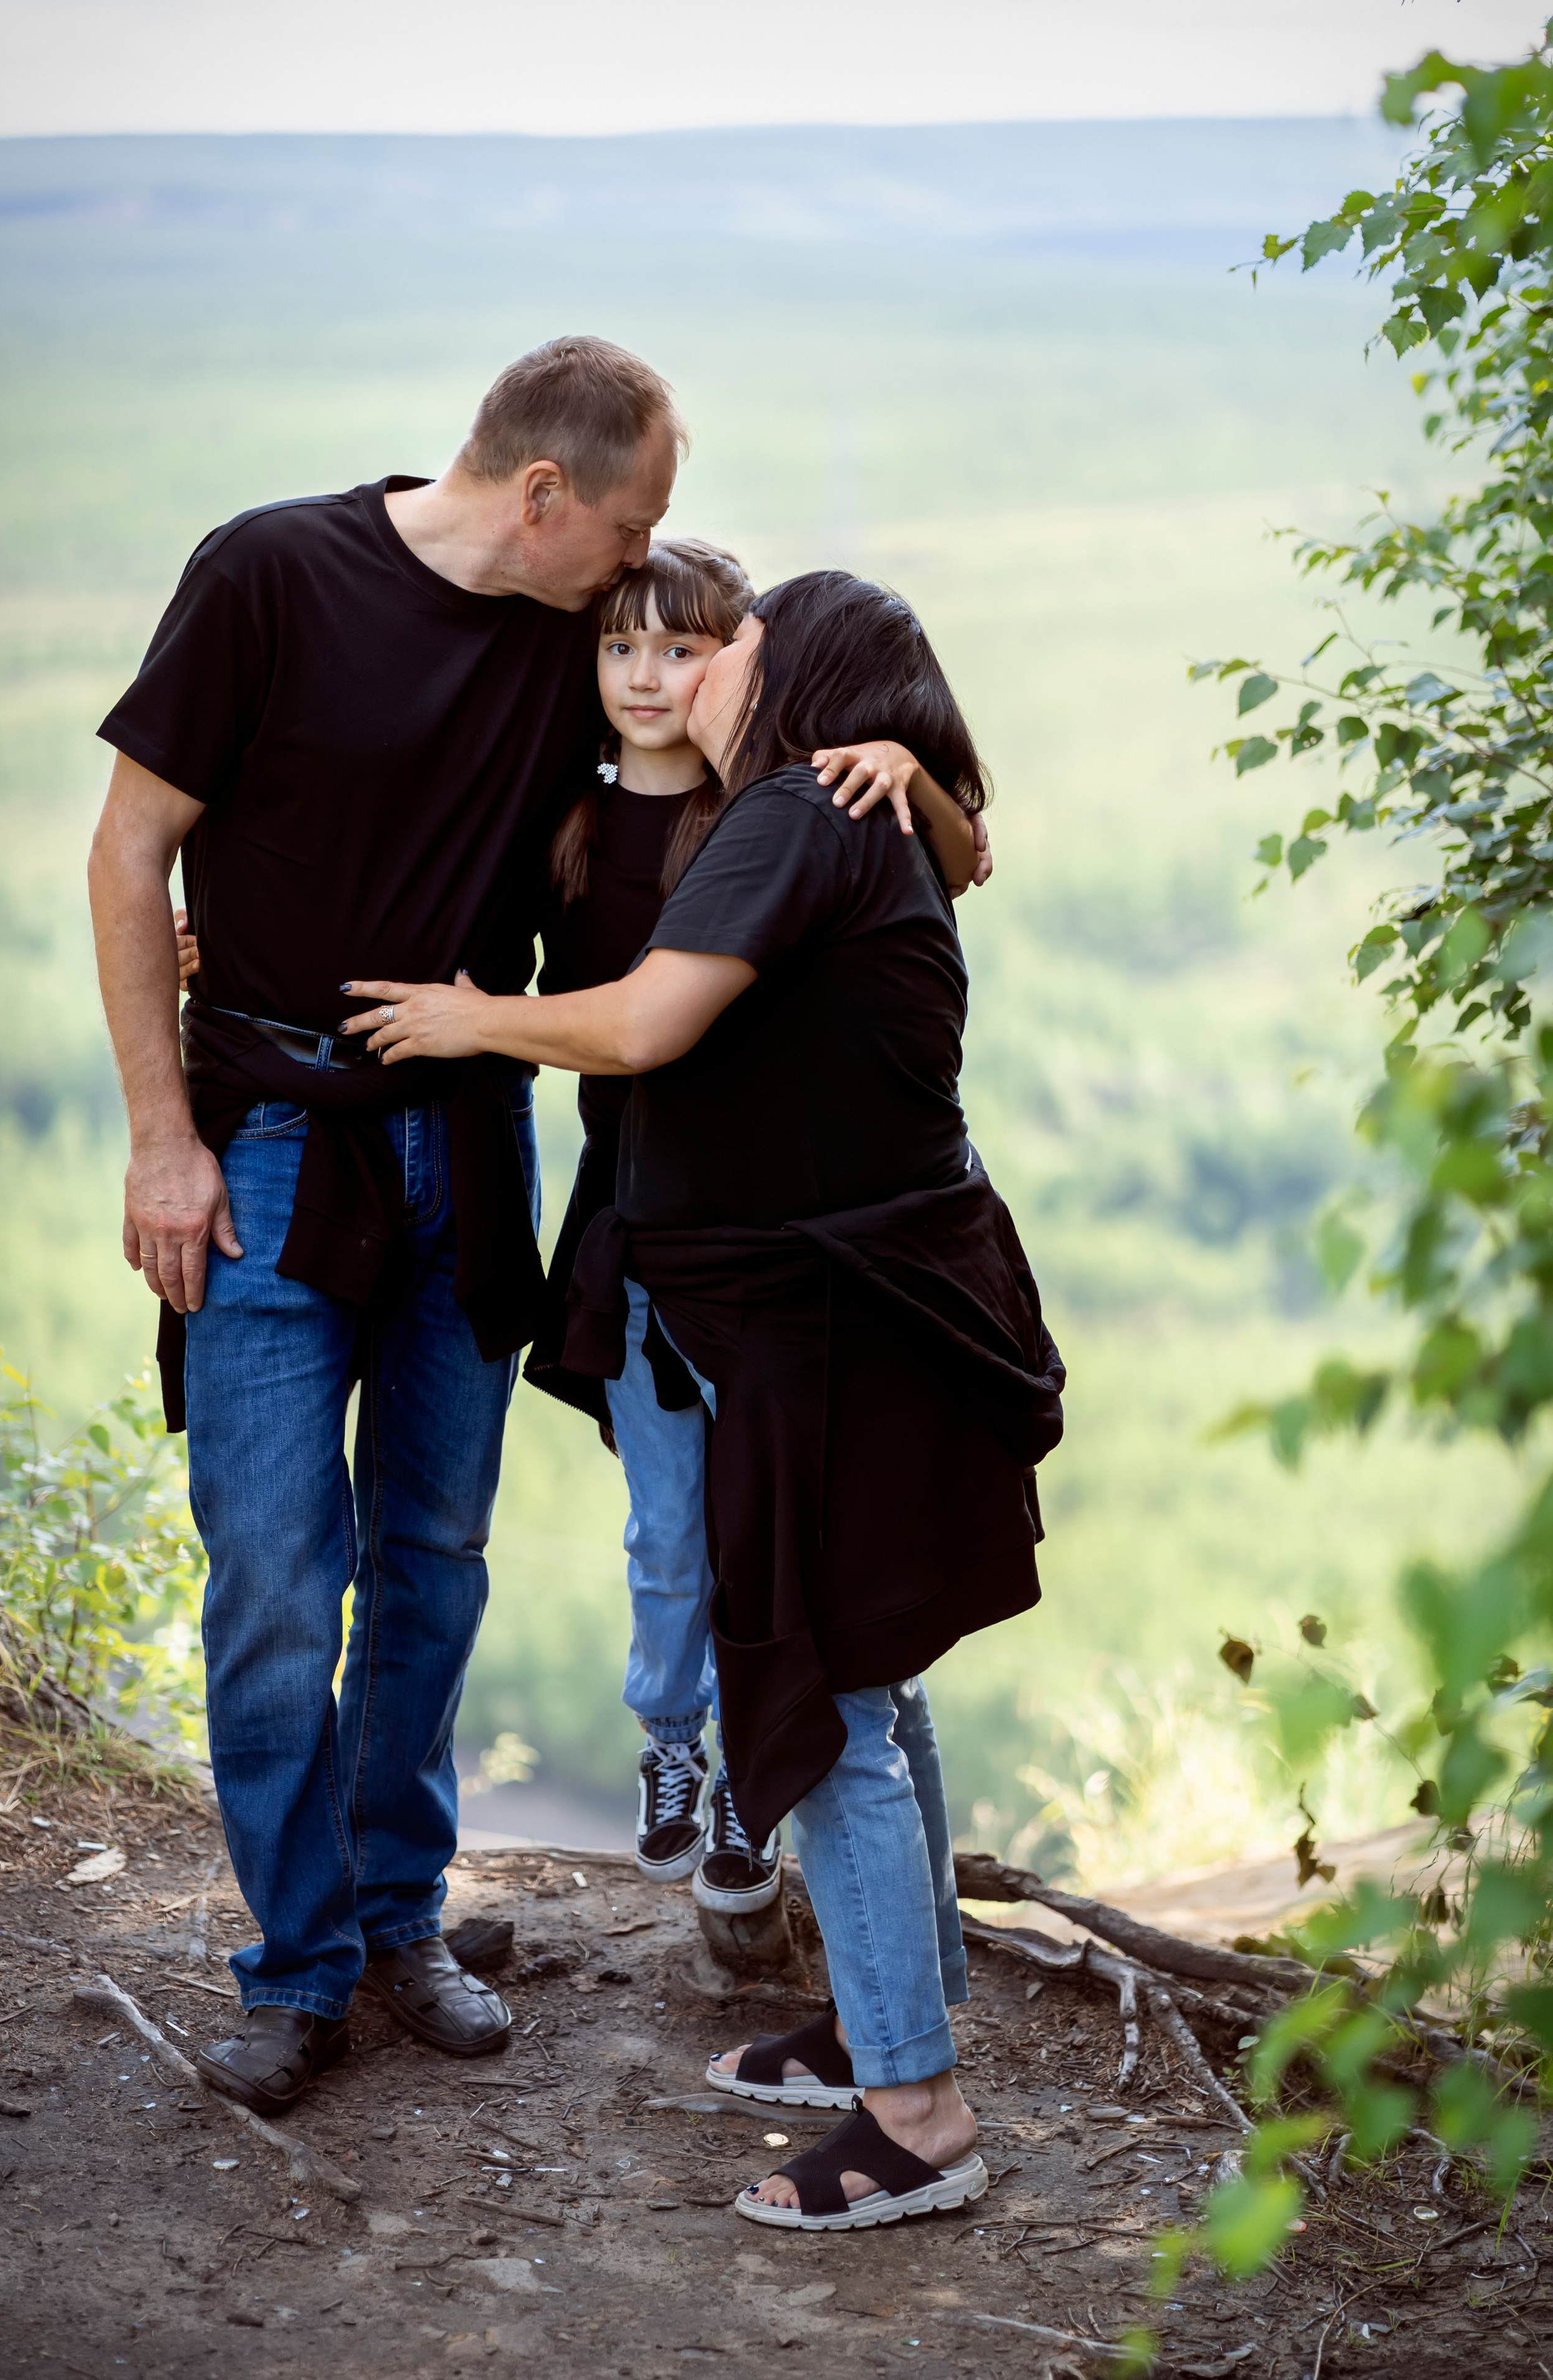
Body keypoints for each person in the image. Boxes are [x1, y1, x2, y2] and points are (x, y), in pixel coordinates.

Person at [336, 569, 1066, 2233]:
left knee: (824, 1697)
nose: (698, 662)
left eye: (729, 639)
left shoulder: (801, 811)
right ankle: (899, 2012)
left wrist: (471, 1018)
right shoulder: (824, 808)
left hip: (818, 1327)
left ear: (788, 672)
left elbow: (649, 1020)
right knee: (870, 1667)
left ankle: (919, 2116)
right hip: (840, 1308)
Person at [87, 334, 685, 2118]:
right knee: (276, 1575)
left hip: (470, 1143)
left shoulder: (580, 636)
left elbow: (736, 684)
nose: (646, 554)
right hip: (265, 1147)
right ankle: (296, 1966)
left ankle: (399, 1912)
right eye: (632, 514)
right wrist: (160, 1138)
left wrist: (899, 751)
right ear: (544, 494)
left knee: (434, 1561)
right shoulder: (270, 571)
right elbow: (130, 855)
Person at [521, 536, 987, 1913]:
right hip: (640, 1219)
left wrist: (907, 770)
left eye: (690, 648)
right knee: (674, 1531)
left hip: (767, 1249)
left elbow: (963, 860)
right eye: (623, 648)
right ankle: (676, 1745)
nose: (655, 674)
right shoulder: (565, 819)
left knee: (778, 1554)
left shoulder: (780, 804)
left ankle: (748, 1773)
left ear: (741, 666)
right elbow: (451, 926)